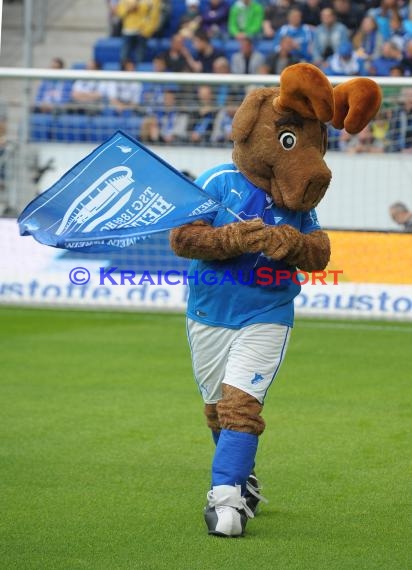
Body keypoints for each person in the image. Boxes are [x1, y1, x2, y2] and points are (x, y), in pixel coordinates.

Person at [116, 0, 162, 66]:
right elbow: (119, 13)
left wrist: (147, 30)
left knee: (139, 58)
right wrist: (128, 9)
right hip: (128, 30)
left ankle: (138, 74)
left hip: (142, 31)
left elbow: (154, 15)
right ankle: (121, 72)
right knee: (123, 57)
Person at [387, 86, 412, 152]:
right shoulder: (397, 113)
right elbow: (392, 134)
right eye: (408, 96)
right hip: (399, 150)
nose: (410, 98)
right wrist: (400, 149)